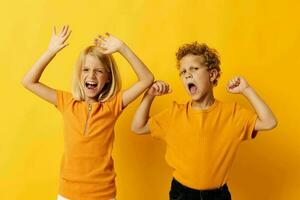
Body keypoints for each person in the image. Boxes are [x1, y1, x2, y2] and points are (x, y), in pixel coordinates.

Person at [131, 42, 277, 200]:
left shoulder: (232, 113)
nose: (187, 74)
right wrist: (150, 95)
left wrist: (246, 90)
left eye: (194, 69)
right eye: (183, 71)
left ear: (212, 75)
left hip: (217, 195)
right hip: (181, 194)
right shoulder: (175, 114)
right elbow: (138, 127)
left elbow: (269, 122)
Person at [21, 25, 154, 200]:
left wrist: (122, 48)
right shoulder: (66, 102)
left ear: (108, 78)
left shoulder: (112, 105)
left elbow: (147, 79)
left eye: (98, 71)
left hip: (103, 194)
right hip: (68, 194)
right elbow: (28, 81)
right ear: (79, 74)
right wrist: (50, 51)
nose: (91, 76)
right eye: (86, 70)